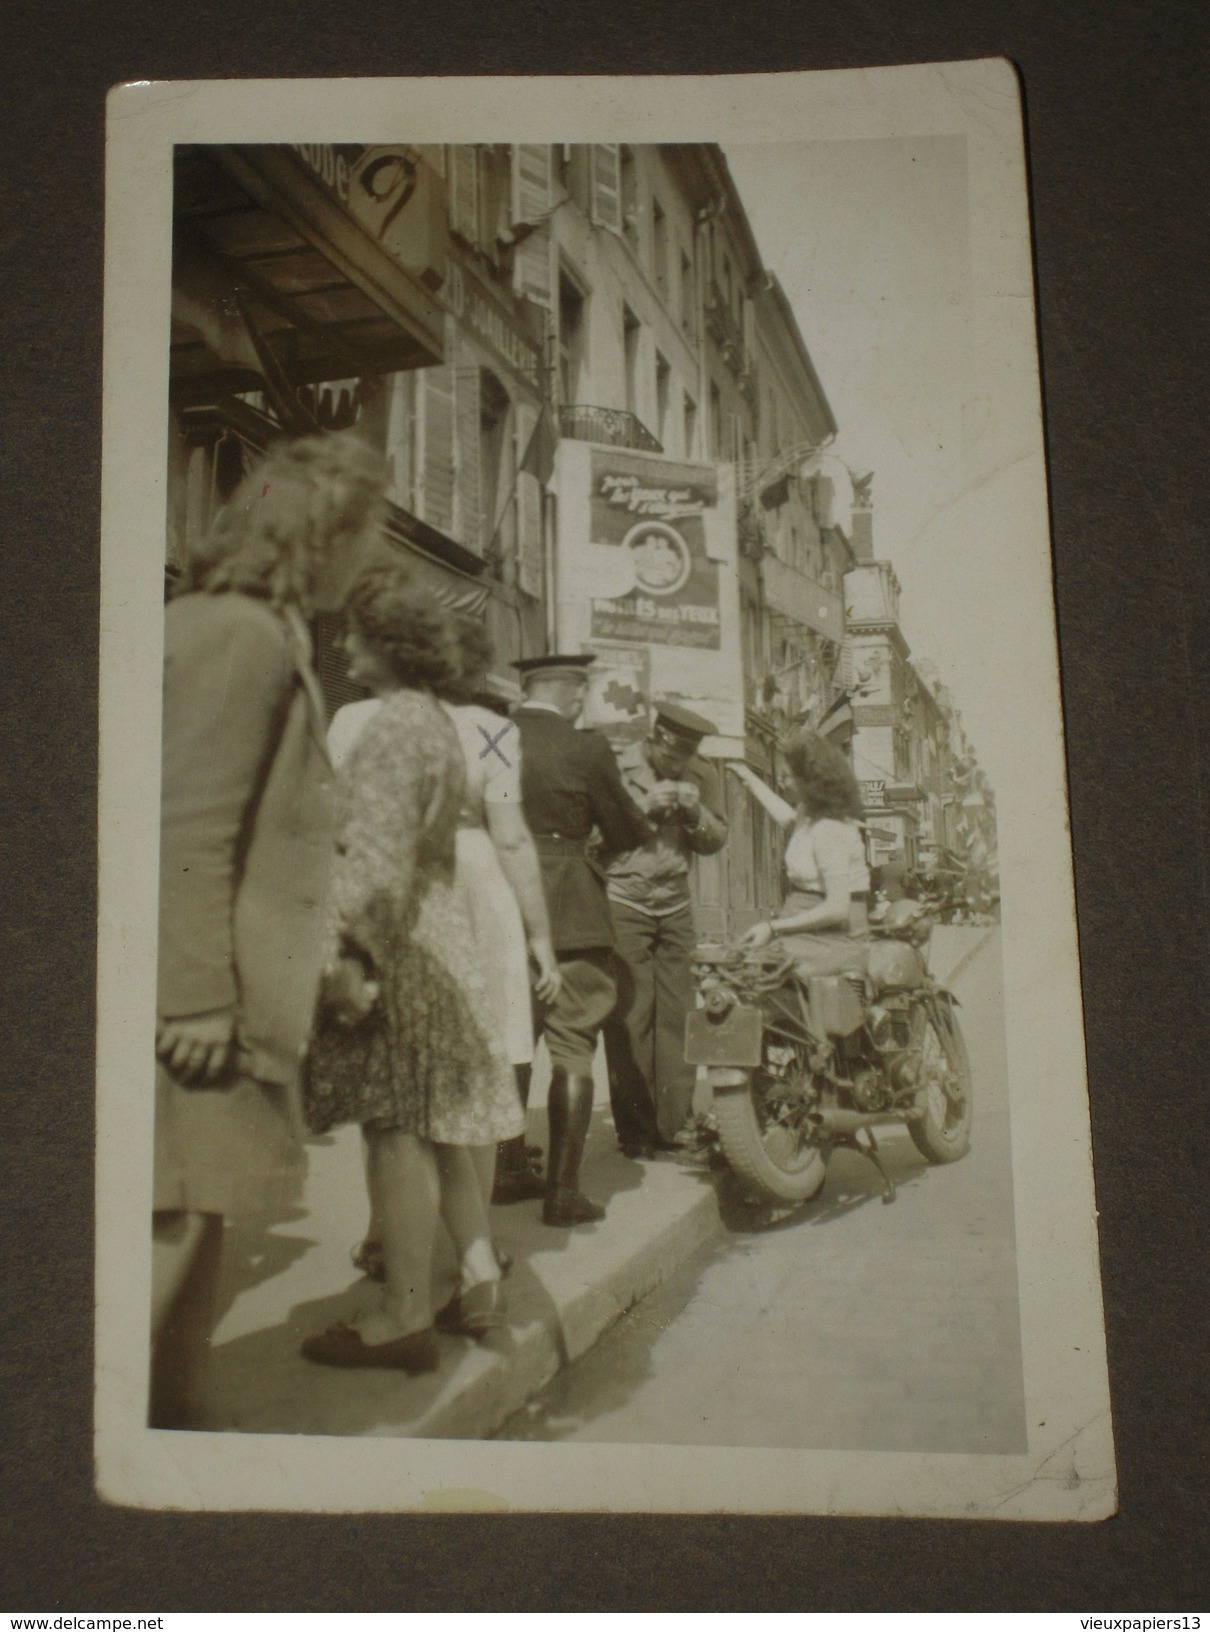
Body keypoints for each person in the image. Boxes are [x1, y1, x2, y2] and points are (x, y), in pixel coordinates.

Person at [152, 430, 388, 1424]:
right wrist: (196, 998)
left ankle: (172, 1448)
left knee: (193, 1223)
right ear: (321, 535)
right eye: (365, 535)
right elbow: (184, 825)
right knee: (159, 1233)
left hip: (228, 996)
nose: (369, 558)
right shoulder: (236, 635)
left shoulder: (259, 631)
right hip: (193, 1013)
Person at [301, 569, 524, 1368]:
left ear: (390, 645)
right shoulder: (434, 720)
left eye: (359, 633)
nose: (346, 644)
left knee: (395, 1125)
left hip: (396, 945)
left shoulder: (394, 724)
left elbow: (382, 853)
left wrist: (358, 958)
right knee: (438, 1125)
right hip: (435, 936)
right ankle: (475, 1275)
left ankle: (401, 1316)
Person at [512, 654, 651, 1226]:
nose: (581, 702)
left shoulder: (494, 734)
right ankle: (563, 1193)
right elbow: (627, 829)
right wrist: (588, 845)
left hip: (501, 902)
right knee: (572, 1041)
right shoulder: (586, 748)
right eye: (579, 691)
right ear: (563, 688)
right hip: (570, 904)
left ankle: (504, 1168)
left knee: (510, 1036)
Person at [437, 623, 561, 1209]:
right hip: (474, 875)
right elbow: (510, 839)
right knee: (486, 1043)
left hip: (400, 875)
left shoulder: (369, 722)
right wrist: (539, 937)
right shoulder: (492, 732)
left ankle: (384, 1233)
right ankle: (476, 1234)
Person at [602, 703, 729, 1156]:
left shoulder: (704, 775)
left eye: (686, 757)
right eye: (671, 755)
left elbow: (716, 840)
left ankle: (674, 1125)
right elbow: (594, 837)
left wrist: (696, 817)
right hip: (624, 898)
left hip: (675, 902)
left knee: (677, 1014)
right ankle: (635, 1131)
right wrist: (644, 810)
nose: (677, 766)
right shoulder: (617, 765)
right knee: (630, 1015)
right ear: (655, 738)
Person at [730, 731, 871, 978]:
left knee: (762, 975)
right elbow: (787, 819)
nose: (781, 782)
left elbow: (838, 908)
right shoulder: (809, 813)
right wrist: (747, 776)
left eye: (787, 777)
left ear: (809, 780)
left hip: (833, 935)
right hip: (808, 927)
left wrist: (773, 927)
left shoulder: (830, 829)